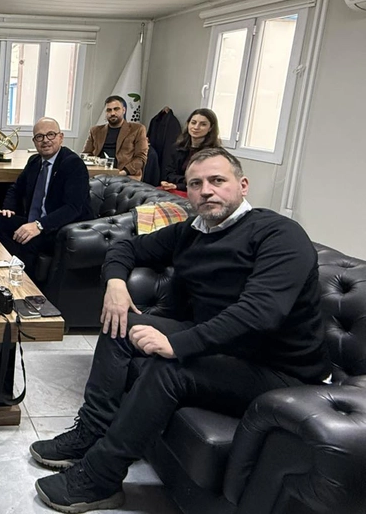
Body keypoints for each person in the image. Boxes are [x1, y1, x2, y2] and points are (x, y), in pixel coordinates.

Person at [29, 148, 330, 512]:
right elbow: (124, 248)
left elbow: (260, 313)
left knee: (169, 368)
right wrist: (116, 285)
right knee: (119, 324)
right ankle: (90, 433)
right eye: (196, 184)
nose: (206, 191)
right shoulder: (192, 231)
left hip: (278, 371)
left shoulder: (280, 235)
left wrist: (177, 343)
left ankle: (100, 478)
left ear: (242, 185)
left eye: (217, 180)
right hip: (221, 348)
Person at [0, 118, 91, 277]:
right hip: (35, 221)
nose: (45, 140)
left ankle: (24, 283)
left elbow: (72, 208)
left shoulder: (73, 164)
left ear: (61, 137)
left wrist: (39, 225)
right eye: (39, 136)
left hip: (61, 227)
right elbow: (16, 189)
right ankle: (7, 269)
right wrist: (8, 209)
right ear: (34, 141)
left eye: (51, 134)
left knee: (29, 240)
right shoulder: (35, 161)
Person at [82, 95, 148, 179]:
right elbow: (86, 154)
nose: (112, 113)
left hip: (126, 175)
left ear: (124, 110)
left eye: (116, 109)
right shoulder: (95, 131)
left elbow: (141, 158)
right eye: (109, 110)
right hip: (98, 175)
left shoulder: (137, 129)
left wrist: (122, 173)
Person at [160, 108, 221, 191]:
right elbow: (168, 174)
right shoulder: (178, 147)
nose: (196, 127)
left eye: (203, 124)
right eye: (193, 123)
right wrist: (178, 184)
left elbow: (203, 181)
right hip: (174, 188)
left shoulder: (214, 154)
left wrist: (179, 185)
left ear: (210, 128)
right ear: (188, 124)